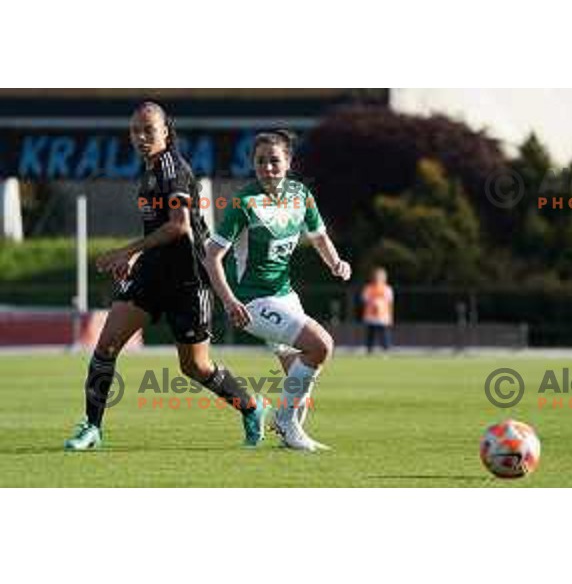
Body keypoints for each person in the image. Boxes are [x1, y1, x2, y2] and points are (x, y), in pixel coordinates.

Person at [64, 102, 270, 451]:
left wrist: (127, 250)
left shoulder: (172, 169)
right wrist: (140, 256)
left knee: (195, 367)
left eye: (149, 129)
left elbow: (178, 227)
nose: (141, 136)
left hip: (188, 280)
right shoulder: (148, 171)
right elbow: (160, 229)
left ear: (166, 131)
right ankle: (93, 427)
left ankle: (251, 407)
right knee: (106, 344)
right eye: (135, 130)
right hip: (150, 277)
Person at [204, 130, 351, 452]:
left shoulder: (301, 195)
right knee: (321, 345)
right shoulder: (243, 203)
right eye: (260, 161)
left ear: (288, 162)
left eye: (274, 160)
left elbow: (319, 236)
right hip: (251, 301)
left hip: (285, 296)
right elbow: (211, 255)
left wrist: (336, 262)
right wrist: (228, 301)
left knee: (301, 376)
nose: (267, 167)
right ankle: (284, 421)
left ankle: (289, 433)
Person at [361, 267, 394, 354]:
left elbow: (390, 304)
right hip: (371, 316)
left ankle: (386, 351)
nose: (378, 278)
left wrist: (390, 316)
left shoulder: (387, 289)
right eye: (376, 276)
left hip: (383, 317)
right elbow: (365, 301)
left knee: (384, 335)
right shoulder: (368, 288)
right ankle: (369, 350)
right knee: (370, 335)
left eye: (380, 276)